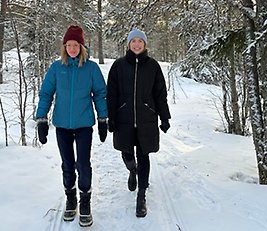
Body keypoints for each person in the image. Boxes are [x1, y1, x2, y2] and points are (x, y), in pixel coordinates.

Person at [35, 25, 108, 227]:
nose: (72, 48)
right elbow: (46, 94)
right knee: (67, 165)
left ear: (82, 46)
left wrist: (103, 119)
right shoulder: (57, 68)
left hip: (84, 124)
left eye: (76, 45)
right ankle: (70, 198)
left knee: (82, 165)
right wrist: (41, 118)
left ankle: (85, 202)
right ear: (64, 46)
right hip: (62, 127)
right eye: (69, 45)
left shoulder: (91, 68)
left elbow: (100, 94)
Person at [106, 28, 171, 218]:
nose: (136, 44)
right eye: (133, 41)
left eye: (139, 41)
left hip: (146, 120)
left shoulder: (153, 66)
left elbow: (160, 94)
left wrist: (165, 117)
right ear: (128, 44)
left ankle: (141, 196)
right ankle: (132, 170)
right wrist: (111, 117)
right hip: (124, 119)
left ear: (145, 45)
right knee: (126, 153)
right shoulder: (118, 66)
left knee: (144, 156)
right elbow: (112, 94)